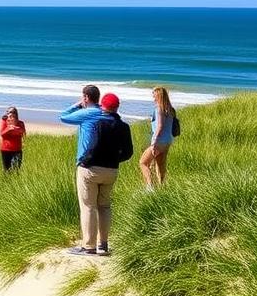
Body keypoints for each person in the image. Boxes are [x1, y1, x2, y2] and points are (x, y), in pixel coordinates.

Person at [59, 87, 133, 256]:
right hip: (112, 170)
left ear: (86, 97)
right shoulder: (122, 125)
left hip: (90, 168)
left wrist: (79, 105)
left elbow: (63, 116)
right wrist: (115, 161)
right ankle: (103, 244)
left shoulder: (93, 118)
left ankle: (89, 246)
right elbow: (128, 152)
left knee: (88, 206)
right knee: (105, 206)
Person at [140, 86, 176, 190]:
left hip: (159, 141)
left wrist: (154, 143)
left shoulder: (159, 108)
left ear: (158, 96)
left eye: (154, 96)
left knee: (143, 163)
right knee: (160, 165)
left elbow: (159, 126)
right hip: (168, 140)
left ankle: (150, 188)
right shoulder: (171, 110)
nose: (153, 98)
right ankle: (161, 188)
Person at [0, 106, 26, 171]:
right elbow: (2, 134)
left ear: (16, 114)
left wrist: (16, 128)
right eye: (8, 112)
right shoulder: (4, 122)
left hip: (17, 150)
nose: (10, 114)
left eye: (12, 112)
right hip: (5, 150)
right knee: (6, 170)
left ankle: (15, 180)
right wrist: (9, 129)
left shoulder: (20, 123)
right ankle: (6, 181)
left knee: (16, 169)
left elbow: (23, 133)